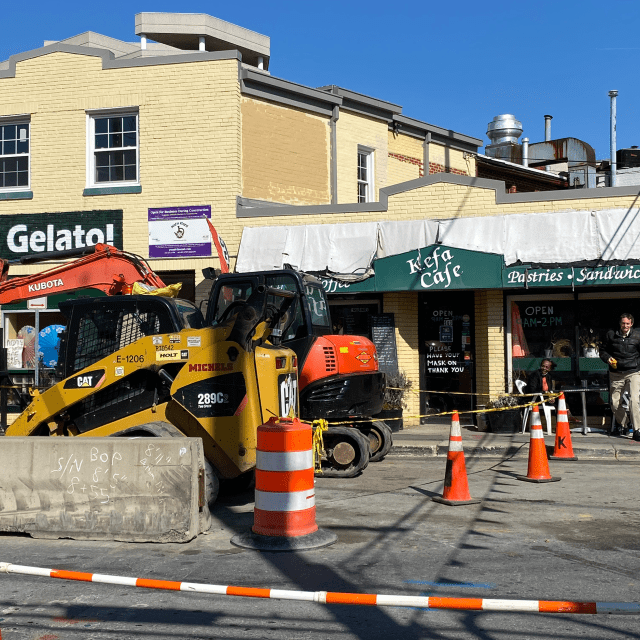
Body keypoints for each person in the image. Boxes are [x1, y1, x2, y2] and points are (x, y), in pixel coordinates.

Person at [600, 313, 640, 438]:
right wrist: (608, 358)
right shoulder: (610, 334)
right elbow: (602, 350)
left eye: (627, 323)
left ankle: (638, 430)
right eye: (623, 323)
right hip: (616, 373)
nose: (625, 326)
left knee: (634, 400)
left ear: (631, 324)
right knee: (614, 403)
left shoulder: (638, 336)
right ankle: (625, 424)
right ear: (620, 323)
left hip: (633, 371)